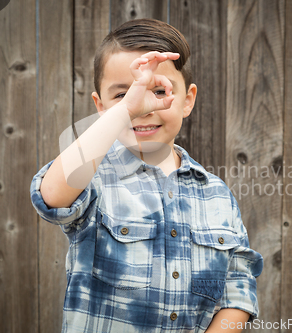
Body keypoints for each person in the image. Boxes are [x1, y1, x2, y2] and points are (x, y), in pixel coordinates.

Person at [30, 18, 263, 333]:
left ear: (188, 100)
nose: (142, 106)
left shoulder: (217, 194)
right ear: (101, 107)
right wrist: (124, 111)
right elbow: (52, 199)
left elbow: (238, 287)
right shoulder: (94, 176)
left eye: (158, 90)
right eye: (123, 96)